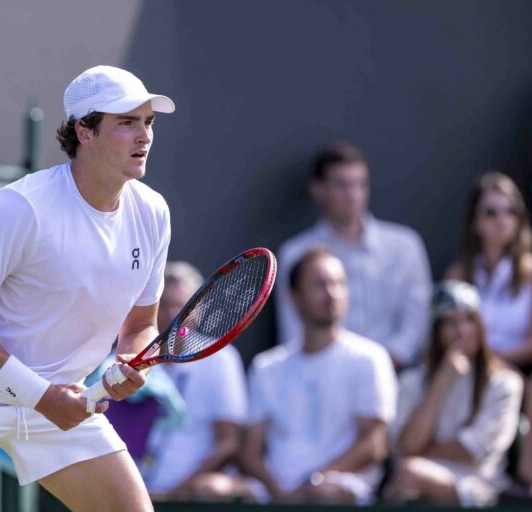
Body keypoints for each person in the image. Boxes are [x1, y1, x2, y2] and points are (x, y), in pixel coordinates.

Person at [0, 65, 175, 512]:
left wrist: (133, 364)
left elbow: (142, 323)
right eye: (126, 123)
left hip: (65, 394)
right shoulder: (21, 208)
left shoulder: (152, 213)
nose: (144, 137)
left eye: (148, 122)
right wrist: (39, 395)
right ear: (85, 131)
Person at [243, 247, 397, 504]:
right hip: (275, 491)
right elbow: (251, 452)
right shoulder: (266, 367)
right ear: (293, 297)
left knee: (322, 494)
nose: (332, 293)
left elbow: (374, 444)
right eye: (319, 285)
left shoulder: (370, 358)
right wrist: (280, 492)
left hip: (340, 486)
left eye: (338, 283)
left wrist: (314, 481)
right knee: (211, 489)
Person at [276, 142, 432, 370]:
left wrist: (378, 367)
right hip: (322, 381)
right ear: (318, 189)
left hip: (398, 381)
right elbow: (292, 331)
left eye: (360, 184)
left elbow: (417, 323)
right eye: (341, 185)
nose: (352, 195)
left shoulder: (406, 246)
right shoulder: (295, 253)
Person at [385, 280, 524, 506]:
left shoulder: (504, 384)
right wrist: (441, 382)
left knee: (409, 472)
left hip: (477, 485)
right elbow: (405, 445)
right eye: (450, 322)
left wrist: (419, 451)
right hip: (413, 477)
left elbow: (470, 452)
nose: (462, 331)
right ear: (437, 330)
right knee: (408, 475)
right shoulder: (412, 381)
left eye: (469, 320)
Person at [141, 261, 252, 502]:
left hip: (192, 491)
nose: (172, 316)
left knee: (213, 487)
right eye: (164, 306)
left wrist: (178, 492)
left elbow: (230, 442)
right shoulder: (129, 360)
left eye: (181, 307)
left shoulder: (221, 360)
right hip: (137, 486)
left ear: (198, 310)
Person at [445, 171, 532, 371]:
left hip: (517, 371)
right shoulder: (458, 275)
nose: (502, 220)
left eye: (511, 210)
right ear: (475, 221)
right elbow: (446, 334)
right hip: (467, 369)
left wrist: (492, 359)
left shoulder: (529, 273)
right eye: (491, 212)